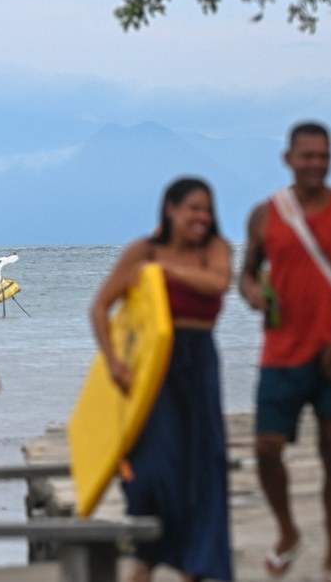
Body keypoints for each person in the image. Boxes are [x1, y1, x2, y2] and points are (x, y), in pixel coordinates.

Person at [237, 121, 331, 582]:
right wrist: (252, 293)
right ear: (288, 159)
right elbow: (247, 271)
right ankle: (287, 531)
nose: (317, 164)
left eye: (324, 156)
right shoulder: (265, 215)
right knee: (266, 448)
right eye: (308, 155)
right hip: (281, 352)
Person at [90, 176, 233, 582]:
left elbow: (219, 283)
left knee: (204, 468)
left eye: (207, 210)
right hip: (153, 370)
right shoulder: (143, 250)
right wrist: (113, 363)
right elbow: (100, 307)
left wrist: (164, 270)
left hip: (199, 364)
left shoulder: (214, 249)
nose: (202, 217)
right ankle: (148, 557)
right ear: (170, 208)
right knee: (154, 469)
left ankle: (196, 567)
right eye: (193, 208)